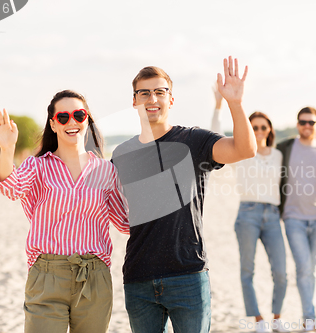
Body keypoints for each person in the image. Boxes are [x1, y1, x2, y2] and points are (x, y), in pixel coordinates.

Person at [111, 57, 256, 333]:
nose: (152, 98)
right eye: (144, 92)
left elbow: (245, 149)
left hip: (188, 274)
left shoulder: (194, 141)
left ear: (171, 99)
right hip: (138, 278)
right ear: (134, 101)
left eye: (159, 91)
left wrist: (235, 104)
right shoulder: (121, 154)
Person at [0, 90, 129, 333]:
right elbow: (11, 187)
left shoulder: (106, 171)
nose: (72, 122)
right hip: (46, 276)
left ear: (87, 120)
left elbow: (127, 223)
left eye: (78, 114)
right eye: (63, 117)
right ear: (53, 125)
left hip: (94, 276)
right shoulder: (38, 166)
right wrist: (7, 148)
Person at [211, 92, 288, 333]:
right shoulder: (241, 153)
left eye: (263, 127)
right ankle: (259, 321)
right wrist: (218, 105)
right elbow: (215, 135)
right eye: (254, 127)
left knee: (281, 272)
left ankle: (277, 318)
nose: (259, 130)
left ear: (269, 129)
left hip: (273, 216)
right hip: (248, 215)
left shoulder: (278, 155)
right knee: (248, 271)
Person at [275, 107, 316, 332]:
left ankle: (309, 317)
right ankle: (310, 319)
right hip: (293, 217)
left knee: (313, 268)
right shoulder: (285, 148)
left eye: (311, 122)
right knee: (304, 266)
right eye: (303, 122)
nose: (307, 126)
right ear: (297, 124)